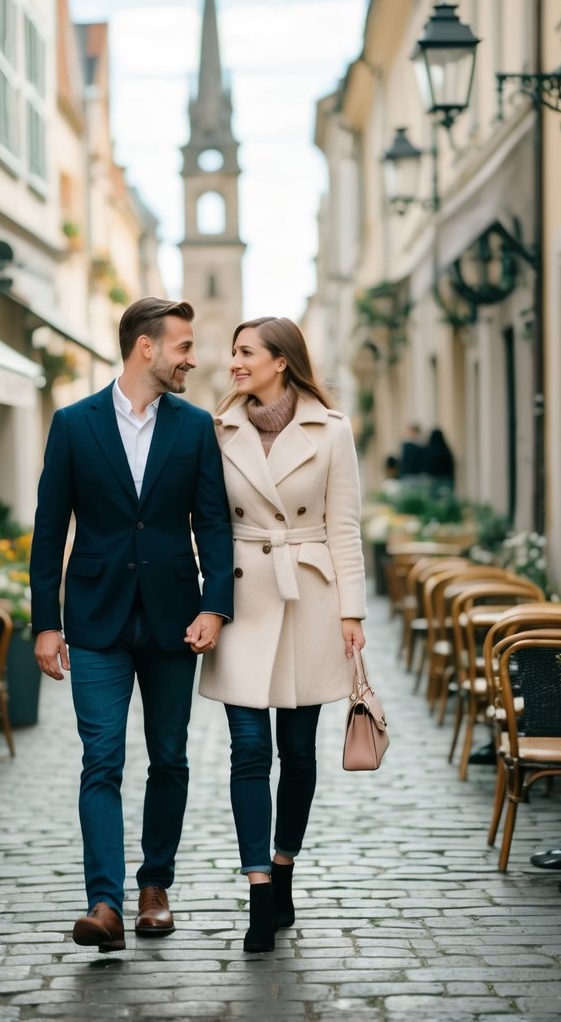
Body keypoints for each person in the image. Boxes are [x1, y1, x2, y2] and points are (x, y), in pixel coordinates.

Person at [30, 297, 234, 953]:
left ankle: (154, 888)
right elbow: (47, 529)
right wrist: (45, 622)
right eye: (183, 346)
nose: (192, 359)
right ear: (145, 348)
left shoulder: (195, 426)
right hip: (94, 619)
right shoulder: (72, 423)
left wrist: (213, 604)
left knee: (169, 757)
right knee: (102, 759)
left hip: (176, 620)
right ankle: (104, 902)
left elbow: (214, 523)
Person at [198, 316, 367, 952]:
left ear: (281, 361)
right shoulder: (218, 430)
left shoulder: (332, 429)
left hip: (311, 597)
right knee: (248, 751)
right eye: (233, 351)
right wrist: (205, 599)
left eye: (245, 352)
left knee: (297, 753)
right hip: (242, 595)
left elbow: (344, 526)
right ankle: (259, 890)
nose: (234, 362)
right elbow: (207, 523)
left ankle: (286, 860)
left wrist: (353, 612)